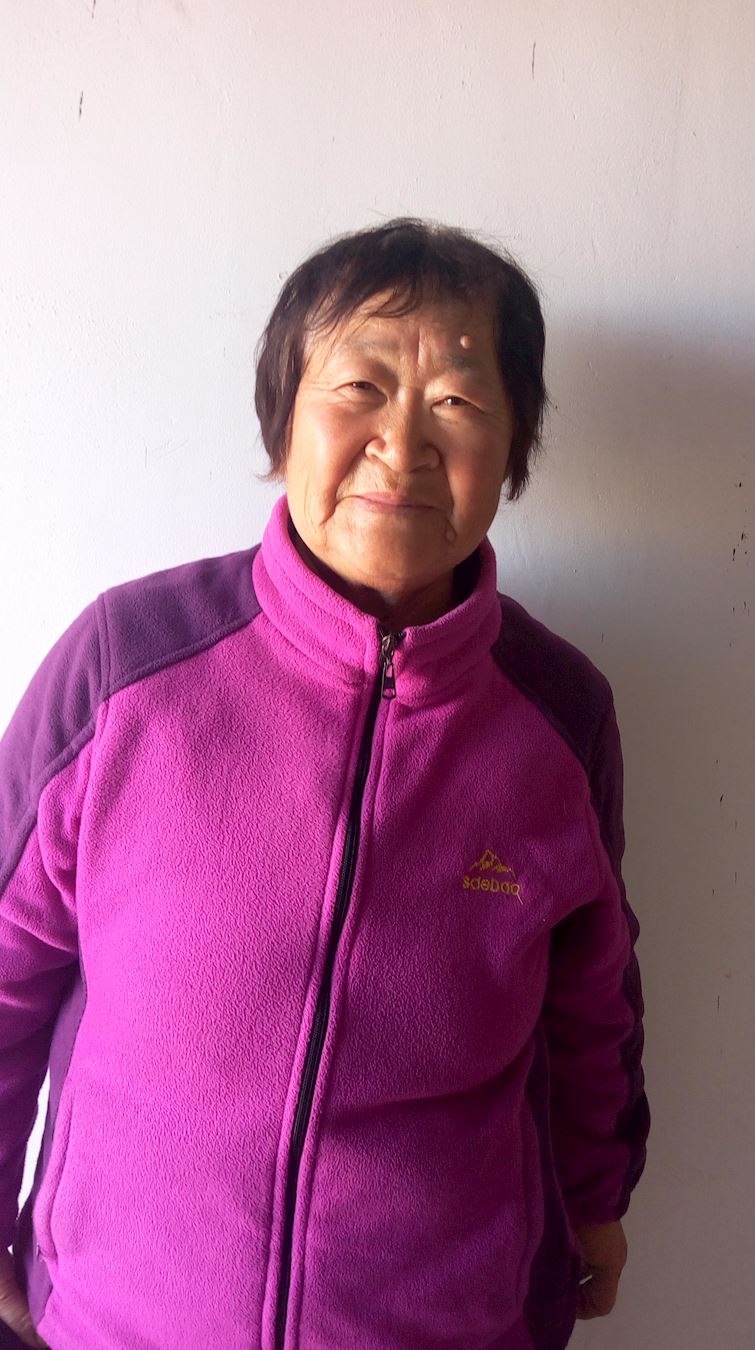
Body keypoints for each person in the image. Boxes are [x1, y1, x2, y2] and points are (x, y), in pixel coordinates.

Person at [0, 218, 649, 1350]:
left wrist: (597, 1197)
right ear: (282, 420)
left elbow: (590, 1005)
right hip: (116, 1319)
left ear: (512, 449)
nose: (402, 446)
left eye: (456, 401)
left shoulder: (559, 713)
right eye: (359, 387)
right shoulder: (126, 664)